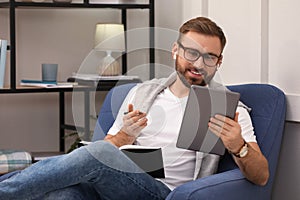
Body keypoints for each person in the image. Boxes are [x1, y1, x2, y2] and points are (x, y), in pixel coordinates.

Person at [0, 17, 269, 200]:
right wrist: (124, 137)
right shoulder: (142, 93)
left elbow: (262, 177)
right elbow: (104, 151)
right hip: (115, 182)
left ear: (218, 62)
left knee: (99, 153)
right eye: (191, 53)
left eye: (209, 57)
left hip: (159, 192)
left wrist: (239, 146)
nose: (198, 64)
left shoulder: (228, 109)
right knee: (59, 196)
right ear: (175, 50)